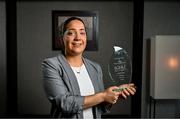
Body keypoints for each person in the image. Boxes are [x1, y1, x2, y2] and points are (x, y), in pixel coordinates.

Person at [42, 17, 136, 119]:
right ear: (62, 39)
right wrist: (104, 95)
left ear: (86, 38)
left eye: (82, 33)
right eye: (71, 33)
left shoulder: (95, 68)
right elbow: (66, 104)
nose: (78, 37)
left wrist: (115, 94)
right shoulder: (52, 65)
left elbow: (101, 107)